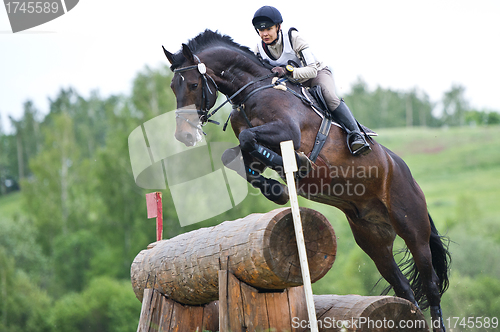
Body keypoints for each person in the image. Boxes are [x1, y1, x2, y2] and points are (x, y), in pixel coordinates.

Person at [252, 5, 371, 156]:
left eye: (268, 29)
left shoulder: (293, 37)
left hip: (316, 75)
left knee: (328, 94)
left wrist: (288, 71)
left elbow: (312, 69)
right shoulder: (258, 50)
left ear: (278, 26)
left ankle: (356, 134)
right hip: (293, 85)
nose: (265, 34)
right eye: (261, 30)